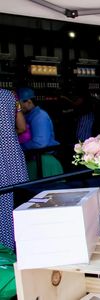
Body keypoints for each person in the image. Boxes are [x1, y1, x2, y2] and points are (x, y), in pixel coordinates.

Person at [0, 89, 29, 250]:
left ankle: (4, 248)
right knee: (18, 199)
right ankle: (22, 245)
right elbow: (22, 127)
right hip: (12, 155)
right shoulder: (9, 96)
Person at [16, 87, 62, 179]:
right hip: (34, 161)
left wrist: (18, 148)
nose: (18, 108)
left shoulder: (40, 116)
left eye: (19, 105)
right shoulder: (27, 116)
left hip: (44, 162)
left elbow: (40, 143)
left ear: (28, 102)